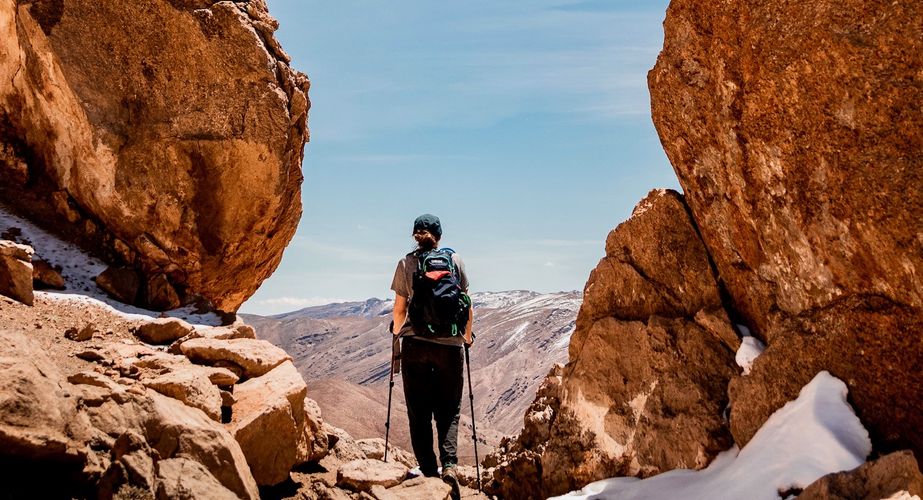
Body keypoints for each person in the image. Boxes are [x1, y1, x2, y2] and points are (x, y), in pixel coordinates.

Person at [390, 213, 473, 498]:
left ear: (415, 234)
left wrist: (397, 332)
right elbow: (467, 303)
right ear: (439, 235)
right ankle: (449, 466)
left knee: (419, 412)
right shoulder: (455, 260)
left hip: (416, 345)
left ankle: (428, 472)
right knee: (449, 411)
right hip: (450, 347)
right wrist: (466, 336)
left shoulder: (405, 262)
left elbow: (399, 310)